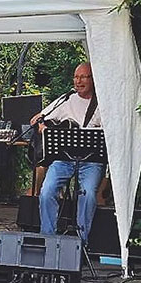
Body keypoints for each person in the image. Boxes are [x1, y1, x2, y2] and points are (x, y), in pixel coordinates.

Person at [31, 62, 102, 241]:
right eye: (76, 77)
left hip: (91, 160)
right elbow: (36, 119)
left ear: (93, 80)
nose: (78, 81)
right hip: (64, 158)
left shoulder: (103, 103)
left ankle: (80, 243)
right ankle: (48, 239)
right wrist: (42, 125)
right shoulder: (66, 99)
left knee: (88, 194)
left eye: (83, 77)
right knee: (47, 191)